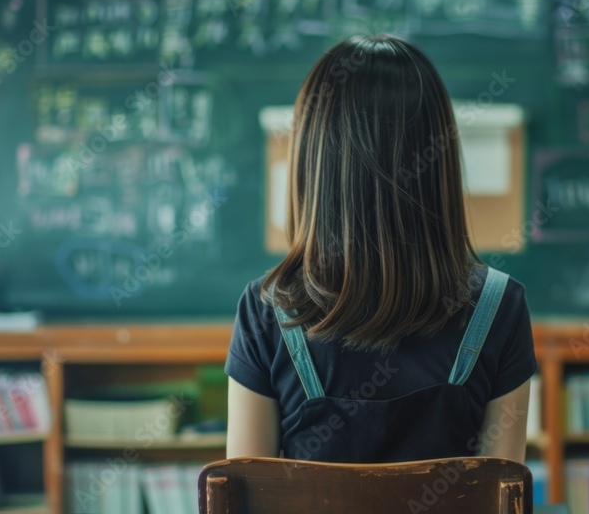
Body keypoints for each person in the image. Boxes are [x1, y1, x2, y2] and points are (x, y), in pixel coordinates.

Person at [224, 34, 537, 464]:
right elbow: (505, 492)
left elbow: (244, 493)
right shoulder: (501, 308)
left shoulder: (266, 312)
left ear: (312, 161)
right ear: (439, 159)